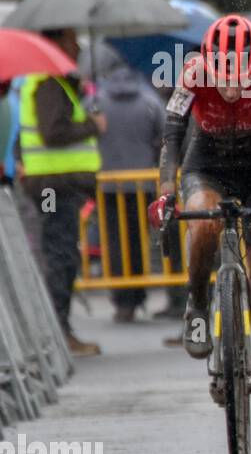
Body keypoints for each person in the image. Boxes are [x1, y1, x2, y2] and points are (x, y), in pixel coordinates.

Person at [149, 15, 251, 430]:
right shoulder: (194, 71)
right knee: (203, 225)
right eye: (226, 75)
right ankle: (198, 306)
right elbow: (172, 135)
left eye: (242, 75)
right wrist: (166, 192)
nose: (234, 87)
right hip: (208, 166)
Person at [14, 28, 106, 356]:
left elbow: (24, 139)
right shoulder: (48, 83)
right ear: (55, 44)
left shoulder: (53, 84)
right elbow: (52, 133)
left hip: (55, 184)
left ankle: (59, 328)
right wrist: (93, 126)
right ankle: (58, 330)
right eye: (71, 39)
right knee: (60, 254)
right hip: (53, 188)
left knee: (62, 251)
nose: (78, 46)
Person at [93, 41, 164, 322]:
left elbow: (89, 133)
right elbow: (162, 136)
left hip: (108, 185)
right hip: (142, 184)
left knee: (114, 241)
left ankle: (122, 299)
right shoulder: (149, 101)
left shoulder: (97, 101)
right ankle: (138, 293)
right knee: (138, 240)